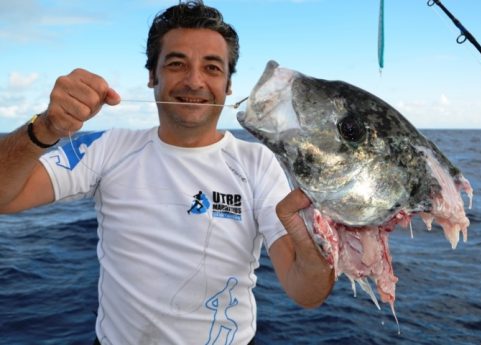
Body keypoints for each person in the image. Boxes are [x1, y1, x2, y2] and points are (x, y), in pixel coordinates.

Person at [0, 1, 335, 344]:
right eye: (177, 64)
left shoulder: (259, 163)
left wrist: (319, 238)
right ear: (152, 76)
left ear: (229, 86)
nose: (194, 81)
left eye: (212, 68)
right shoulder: (106, 147)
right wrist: (47, 126)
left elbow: (305, 292)